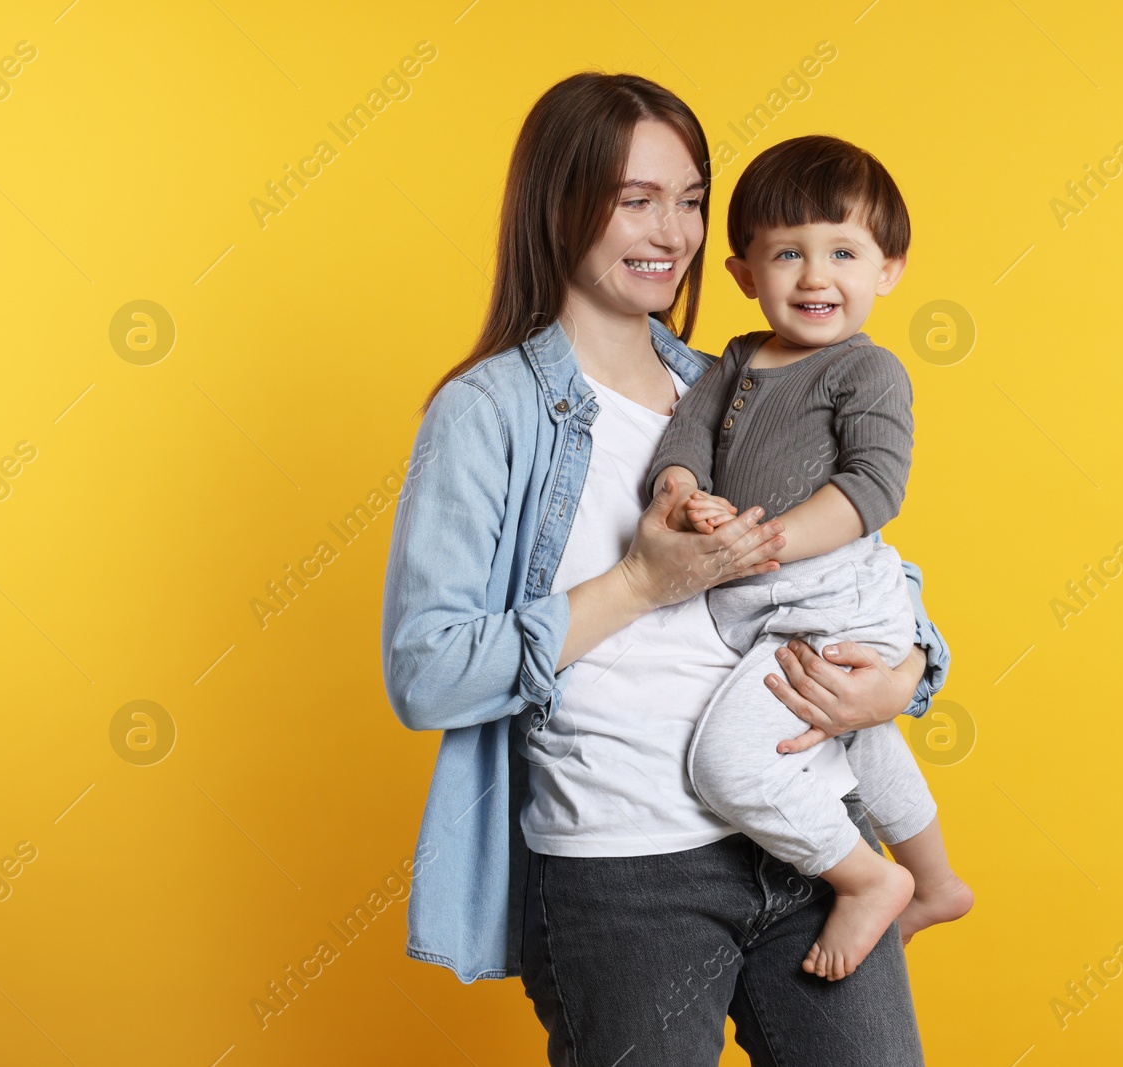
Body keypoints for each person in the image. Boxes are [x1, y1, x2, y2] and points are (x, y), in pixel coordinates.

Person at [380, 72, 950, 1066]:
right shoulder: (489, 414)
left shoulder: (737, 380)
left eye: (689, 199)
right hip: (625, 873)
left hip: (809, 834)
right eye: (635, 198)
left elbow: (860, 554)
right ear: (560, 206)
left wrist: (906, 673)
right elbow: (427, 673)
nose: (672, 232)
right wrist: (640, 582)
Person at [649, 134, 973, 984]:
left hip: (833, 597)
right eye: (787, 252)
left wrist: (769, 540)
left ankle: (869, 878)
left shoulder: (868, 370)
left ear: (889, 269)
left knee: (730, 759)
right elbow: (684, 439)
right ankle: (936, 881)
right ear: (744, 273)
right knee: (851, 735)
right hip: (768, 602)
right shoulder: (736, 360)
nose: (815, 275)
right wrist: (685, 491)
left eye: (843, 252)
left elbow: (875, 485)